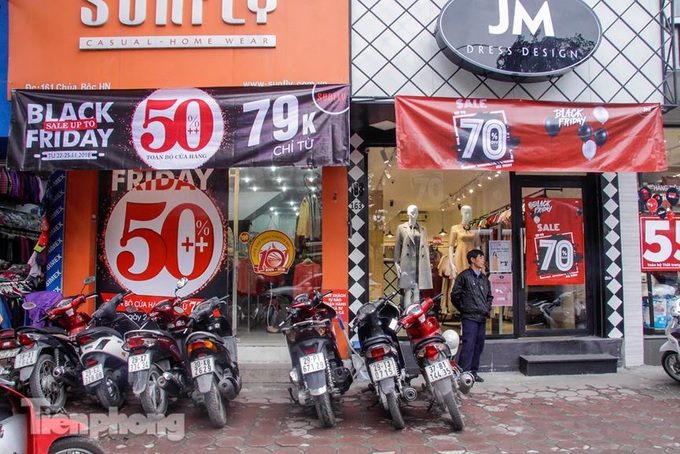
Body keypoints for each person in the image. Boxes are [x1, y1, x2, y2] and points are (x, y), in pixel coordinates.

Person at [450, 248, 493, 383]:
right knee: (468, 344)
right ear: (472, 260)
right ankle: (464, 372)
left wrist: (487, 307)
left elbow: (489, 296)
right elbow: (454, 295)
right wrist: (464, 309)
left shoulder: (484, 279)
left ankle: (474, 372)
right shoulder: (464, 276)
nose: (482, 260)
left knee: (479, 345)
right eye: (480, 258)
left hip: (481, 316)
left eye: (483, 258)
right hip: (469, 316)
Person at [394, 204, 432, 307]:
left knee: (416, 289)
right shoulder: (401, 228)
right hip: (407, 262)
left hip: (419, 262)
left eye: (415, 212)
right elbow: (397, 246)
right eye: (411, 212)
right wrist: (396, 262)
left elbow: (426, 247)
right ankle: (407, 314)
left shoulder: (423, 229)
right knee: (407, 290)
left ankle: (417, 314)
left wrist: (427, 264)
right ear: (407, 213)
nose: (413, 214)